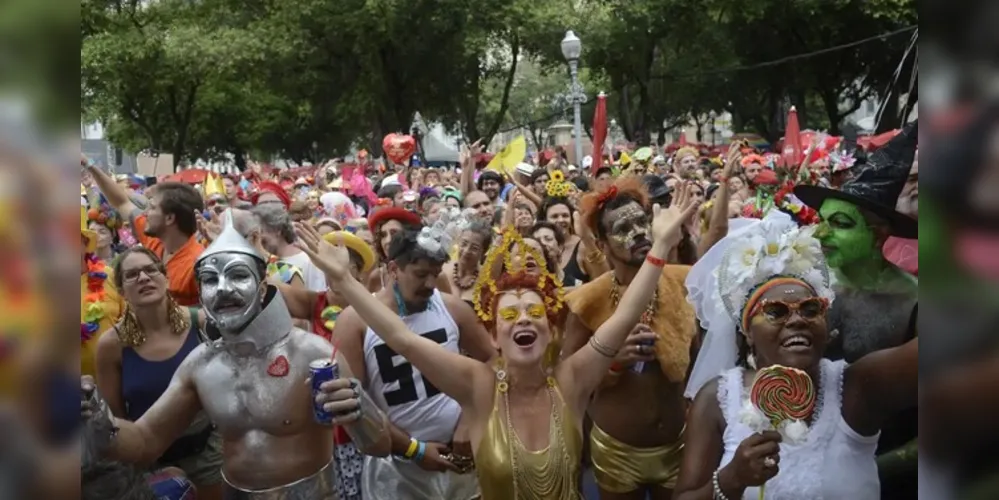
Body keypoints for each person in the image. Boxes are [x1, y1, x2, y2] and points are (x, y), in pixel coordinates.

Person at [295, 189, 697, 499]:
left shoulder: (572, 380)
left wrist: (660, 247)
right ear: (492, 335)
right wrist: (345, 281)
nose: (522, 319)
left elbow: (625, 314)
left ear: (550, 329)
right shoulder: (478, 385)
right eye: (509, 315)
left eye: (533, 312)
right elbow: (401, 337)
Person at [80, 210, 392, 499]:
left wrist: (360, 408)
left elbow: (379, 444)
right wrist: (97, 416)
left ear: (261, 286)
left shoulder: (312, 353)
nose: (223, 289)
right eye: (210, 280)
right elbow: (146, 441)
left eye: (238, 276)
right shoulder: (201, 364)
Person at [675, 212, 918, 500]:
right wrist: (732, 478)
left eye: (811, 309)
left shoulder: (858, 388)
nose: (797, 320)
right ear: (748, 332)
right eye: (776, 312)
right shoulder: (718, 399)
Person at [324, 226, 495, 499]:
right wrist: (413, 449)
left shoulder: (452, 308)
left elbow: (494, 361)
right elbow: (355, 405)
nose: (430, 283)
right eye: (420, 274)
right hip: (397, 471)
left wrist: (470, 418)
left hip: (463, 461)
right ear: (393, 269)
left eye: (435, 273)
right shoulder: (354, 321)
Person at [562, 179, 699, 500]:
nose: (638, 232)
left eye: (643, 222)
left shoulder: (685, 281)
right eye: (624, 227)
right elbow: (566, 380)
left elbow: (701, 363)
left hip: (679, 443)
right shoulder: (588, 300)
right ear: (603, 245)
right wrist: (610, 363)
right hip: (617, 451)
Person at [94, 246, 223, 499]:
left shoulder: (202, 323)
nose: (143, 278)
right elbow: (116, 420)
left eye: (150, 270)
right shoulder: (111, 346)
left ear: (166, 277)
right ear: (121, 291)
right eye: (132, 275)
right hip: (150, 465)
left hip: (209, 455)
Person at [85, 163, 205, 306]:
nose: (145, 213)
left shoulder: (199, 265)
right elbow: (121, 202)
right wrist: (89, 165)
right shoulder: (155, 240)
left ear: (169, 218)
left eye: (152, 207)